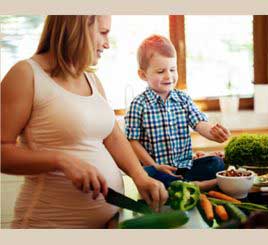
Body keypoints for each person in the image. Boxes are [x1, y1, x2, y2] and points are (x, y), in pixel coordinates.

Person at [1, 16, 167, 229]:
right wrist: (61, 160)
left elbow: (113, 136)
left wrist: (140, 176)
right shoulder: (25, 74)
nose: (107, 44)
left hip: (104, 224)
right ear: (77, 27)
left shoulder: (91, 79)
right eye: (103, 32)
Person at [125, 35, 230, 190]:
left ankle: (185, 186)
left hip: (185, 167)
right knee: (149, 176)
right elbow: (133, 142)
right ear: (143, 74)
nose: (169, 76)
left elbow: (199, 123)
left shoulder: (183, 99)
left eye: (172, 69)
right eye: (160, 71)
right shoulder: (139, 104)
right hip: (158, 170)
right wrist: (154, 165)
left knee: (216, 163)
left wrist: (213, 133)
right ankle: (203, 185)